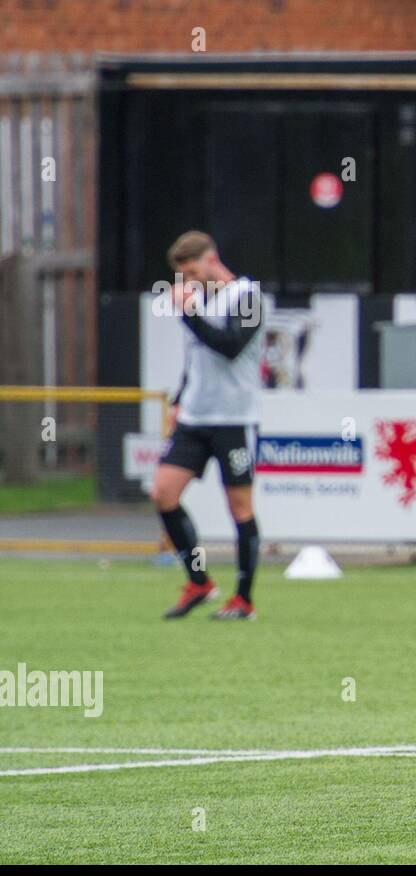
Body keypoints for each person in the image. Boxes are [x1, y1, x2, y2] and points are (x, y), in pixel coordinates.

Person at [151, 231, 264, 621]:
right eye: (182, 275)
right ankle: (198, 581)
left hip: (234, 418)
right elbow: (196, 360)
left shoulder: (247, 296)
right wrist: (179, 400)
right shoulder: (196, 302)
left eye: (192, 270)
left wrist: (189, 315)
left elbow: (231, 346)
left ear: (211, 259)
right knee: (163, 492)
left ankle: (244, 599)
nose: (188, 280)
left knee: (239, 507)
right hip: (196, 418)